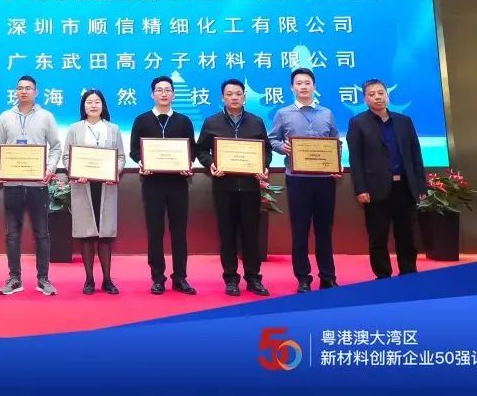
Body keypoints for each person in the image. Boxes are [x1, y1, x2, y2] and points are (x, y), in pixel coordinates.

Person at [268, 67, 341, 292]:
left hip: (325, 180)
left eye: (307, 83)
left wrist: (336, 164)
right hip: (297, 179)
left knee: (324, 230)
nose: (303, 87)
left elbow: (335, 141)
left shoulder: (327, 113)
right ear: (292, 87)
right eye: (299, 83)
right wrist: (283, 147)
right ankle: (303, 278)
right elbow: (272, 139)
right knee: (300, 230)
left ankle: (327, 276)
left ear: (314, 86)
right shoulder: (283, 113)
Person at [196, 79, 272, 297]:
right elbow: (201, 150)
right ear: (223, 98)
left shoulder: (256, 122)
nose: (234, 97)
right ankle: (230, 279)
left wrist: (264, 165)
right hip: (224, 187)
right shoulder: (212, 122)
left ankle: (254, 278)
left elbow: (266, 151)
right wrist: (210, 163)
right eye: (229, 94)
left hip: (250, 188)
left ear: (244, 97)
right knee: (227, 234)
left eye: (238, 94)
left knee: (251, 234)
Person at [347, 79, 427, 279]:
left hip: (404, 187)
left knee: (406, 235)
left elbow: (415, 155)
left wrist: (420, 186)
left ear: (387, 95)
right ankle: (383, 276)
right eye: (372, 94)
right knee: (378, 236)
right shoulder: (358, 123)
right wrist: (360, 188)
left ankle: (408, 273)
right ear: (365, 99)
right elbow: (356, 159)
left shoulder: (404, 121)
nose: (377, 97)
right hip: (375, 189)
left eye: (381, 93)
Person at [0, 75, 62, 296]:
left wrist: (49, 169)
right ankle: (14, 279)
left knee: (42, 234)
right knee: (12, 234)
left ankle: (43, 279)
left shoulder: (46, 117)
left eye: (28, 88)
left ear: (36, 92)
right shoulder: (5, 117)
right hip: (12, 184)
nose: (24, 91)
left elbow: (56, 147)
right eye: (20, 88)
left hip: (37, 185)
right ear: (16, 91)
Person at [128, 75, 197, 295]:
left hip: (178, 183)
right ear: (152, 94)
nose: (164, 93)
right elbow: (134, 150)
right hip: (152, 183)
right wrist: (143, 162)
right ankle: (158, 277)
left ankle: (180, 277)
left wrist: (188, 163)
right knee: (155, 232)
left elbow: (192, 149)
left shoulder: (184, 121)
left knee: (179, 232)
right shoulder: (142, 120)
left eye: (168, 90)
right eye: (159, 90)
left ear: (173, 94)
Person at [63, 89, 125, 295]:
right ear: (83, 106)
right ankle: (89, 280)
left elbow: (121, 157)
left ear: (103, 105)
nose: (93, 105)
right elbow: (67, 157)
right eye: (89, 102)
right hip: (83, 186)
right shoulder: (74, 129)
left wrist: (114, 172)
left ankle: (107, 280)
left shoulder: (113, 129)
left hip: (107, 186)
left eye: (97, 102)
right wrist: (75, 171)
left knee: (105, 235)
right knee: (87, 234)